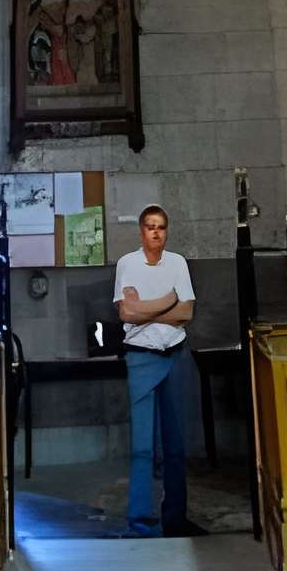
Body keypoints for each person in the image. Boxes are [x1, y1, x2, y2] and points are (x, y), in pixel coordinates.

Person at [113, 203, 195, 535]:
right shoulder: (128, 264)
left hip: (173, 354)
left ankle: (175, 518)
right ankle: (139, 520)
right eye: (150, 226)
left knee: (175, 445)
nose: (156, 232)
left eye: (161, 226)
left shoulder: (178, 263)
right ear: (141, 231)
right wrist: (167, 301)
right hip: (141, 357)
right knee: (142, 447)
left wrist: (144, 310)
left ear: (167, 231)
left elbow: (186, 313)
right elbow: (126, 314)